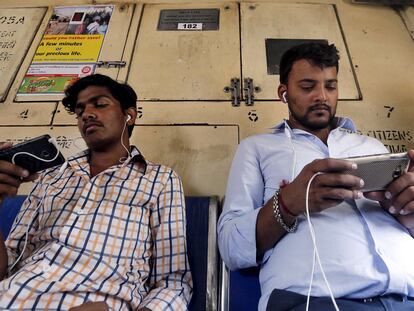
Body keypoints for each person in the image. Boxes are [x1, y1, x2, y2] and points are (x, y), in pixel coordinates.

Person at [218, 42, 414, 311]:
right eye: (308, 87)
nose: (322, 96)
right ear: (284, 93)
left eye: (330, 86)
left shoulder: (371, 147)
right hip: (316, 301)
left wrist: (407, 212)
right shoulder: (258, 149)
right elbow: (230, 247)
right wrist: (288, 203)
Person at [0, 74, 192, 310]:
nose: (87, 114)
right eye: (80, 112)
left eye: (99, 104)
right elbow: (8, 263)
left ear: (129, 116)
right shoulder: (51, 178)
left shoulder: (159, 180)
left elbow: (173, 282)